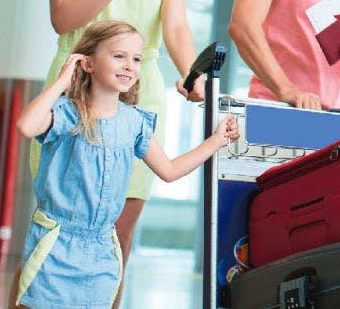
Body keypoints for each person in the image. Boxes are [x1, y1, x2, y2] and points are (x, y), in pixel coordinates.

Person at [20, 0, 202, 307]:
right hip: (76, 91)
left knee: (115, 245)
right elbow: (64, 17)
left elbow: (177, 27)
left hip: (138, 96)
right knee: (58, 235)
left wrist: (192, 70)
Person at [13, 20, 238, 309]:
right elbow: (26, 126)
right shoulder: (67, 113)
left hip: (103, 251)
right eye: (119, 56)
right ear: (89, 63)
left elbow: (168, 170)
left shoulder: (135, 122)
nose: (129, 65)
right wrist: (61, 81)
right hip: (55, 246)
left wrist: (215, 141)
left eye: (136, 59)